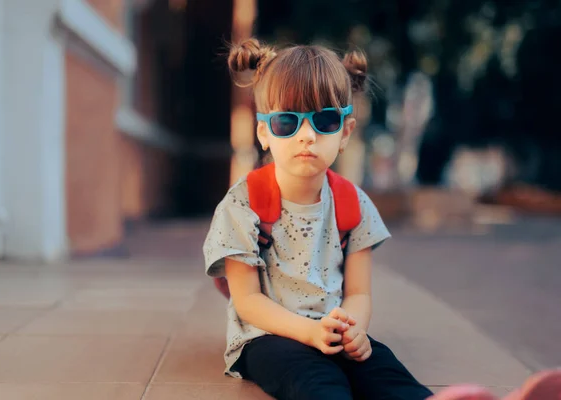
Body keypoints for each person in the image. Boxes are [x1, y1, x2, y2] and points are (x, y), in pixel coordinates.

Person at [203, 38, 561, 400]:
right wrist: (308, 333)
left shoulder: (351, 203)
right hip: (268, 337)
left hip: (334, 330)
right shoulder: (244, 204)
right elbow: (248, 302)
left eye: (325, 120)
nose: (307, 136)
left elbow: (358, 292)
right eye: (286, 122)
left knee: (386, 372)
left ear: (344, 132)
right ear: (264, 132)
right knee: (316, 381)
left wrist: (355, 329)